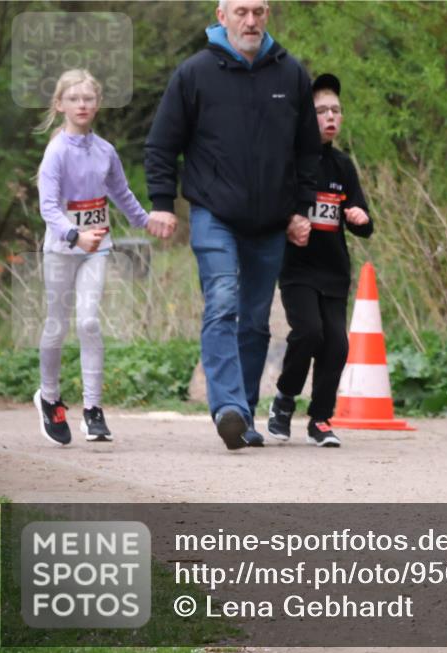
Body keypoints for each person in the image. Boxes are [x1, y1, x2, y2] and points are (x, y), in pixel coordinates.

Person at [144, 0, 321, 450]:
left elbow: (308, 150)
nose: (251, 21)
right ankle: (228, 407)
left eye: (259, 11)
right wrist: (162, 202)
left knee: (256, 322)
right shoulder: (194, 73)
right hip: (214, 212)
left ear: (268, 15)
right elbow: (162, 143)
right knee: (222, 302)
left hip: (271, 220)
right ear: (221, 17)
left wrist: (301, 208)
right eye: (241, 11)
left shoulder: (291, 74)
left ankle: (243, 414)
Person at [34, 69, 156, 445]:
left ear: (98, 104)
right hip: (62, 249)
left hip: (97, 248)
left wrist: (147, 221)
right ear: (60, 105)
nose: (82, 105)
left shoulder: (105, 151)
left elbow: (121, 193)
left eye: (88, 98)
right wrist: (74, 235)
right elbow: (48, 207)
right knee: (57, 324)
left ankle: (93, 410)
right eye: (74, 99)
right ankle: (49, 397)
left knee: (88, 322)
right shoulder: (56, 152)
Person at [267, 73, 373, 447]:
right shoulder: (289, 161)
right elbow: (269, 209)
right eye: (322, 110)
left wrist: (359, 216)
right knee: (309, 332)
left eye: (336, 110)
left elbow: (364, 223)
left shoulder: (343, 165)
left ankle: (321, 419)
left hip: (334, 270)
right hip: (297, 268)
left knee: (337, 346)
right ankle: (284, 399)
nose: (330, 117)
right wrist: (288, 222)